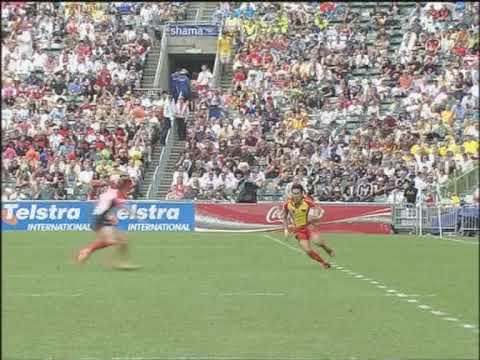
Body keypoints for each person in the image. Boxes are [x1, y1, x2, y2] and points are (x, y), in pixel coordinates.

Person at [76, 177, 138, 269]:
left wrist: (110, 215)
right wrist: (134, 214)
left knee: (123, 241)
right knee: (112, 241)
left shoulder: (112, 191)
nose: (130, 189)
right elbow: (120, 204)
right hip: (99, 219)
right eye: (129, 186)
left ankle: (122, 262)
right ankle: (91, 252)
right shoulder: (115, 194)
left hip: (103, 217)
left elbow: (106, 202)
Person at [282, 184, 335, 269]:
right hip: (299, 230)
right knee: (307, 250)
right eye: (294, 193)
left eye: (297, 193)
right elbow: (284, 217)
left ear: (302, 193)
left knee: (318, 242)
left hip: (309, 226)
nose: (295, 196)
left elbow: (317, 211)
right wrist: (286, 229)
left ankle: (326, 248)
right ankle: (323, 262)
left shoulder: (307, 202)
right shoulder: (287, 204)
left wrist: (315, 217)